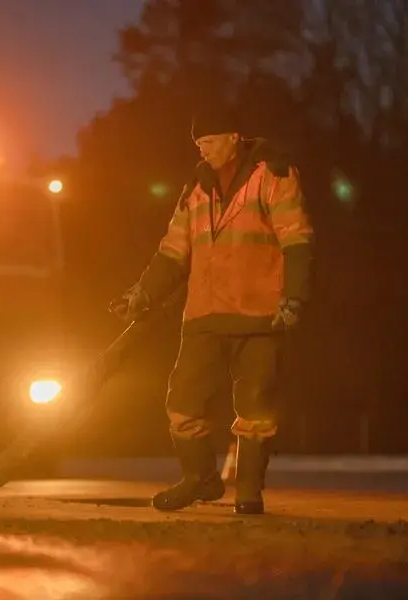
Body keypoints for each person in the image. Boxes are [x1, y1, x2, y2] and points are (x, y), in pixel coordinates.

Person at [111, 106, 314, 515]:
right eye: (198, 144)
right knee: (182, 403)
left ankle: (248, 494)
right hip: (203, 315)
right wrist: (142, 293)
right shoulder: (196, 187)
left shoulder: (273, 176)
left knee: (256, 408)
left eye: (208, 141)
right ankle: (201, 478)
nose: (202, 150)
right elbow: (173, 250)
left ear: (233, 137)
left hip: (261, 315)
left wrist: (293, 297)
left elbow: (297, 240)